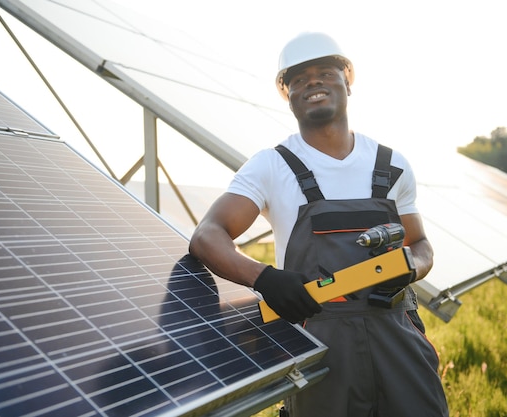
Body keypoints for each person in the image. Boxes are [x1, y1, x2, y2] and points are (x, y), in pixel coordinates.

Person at [189, 32, 448, 417]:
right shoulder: (271, 166)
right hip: (318, 338)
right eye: (297, 78)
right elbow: (207, 235)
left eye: (325, 72)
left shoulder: (392, 165)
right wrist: (264, 278)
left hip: (398, 330)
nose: (312, 82)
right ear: (287, 94)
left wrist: (412, 266)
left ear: (347, 79)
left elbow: (421, 243)